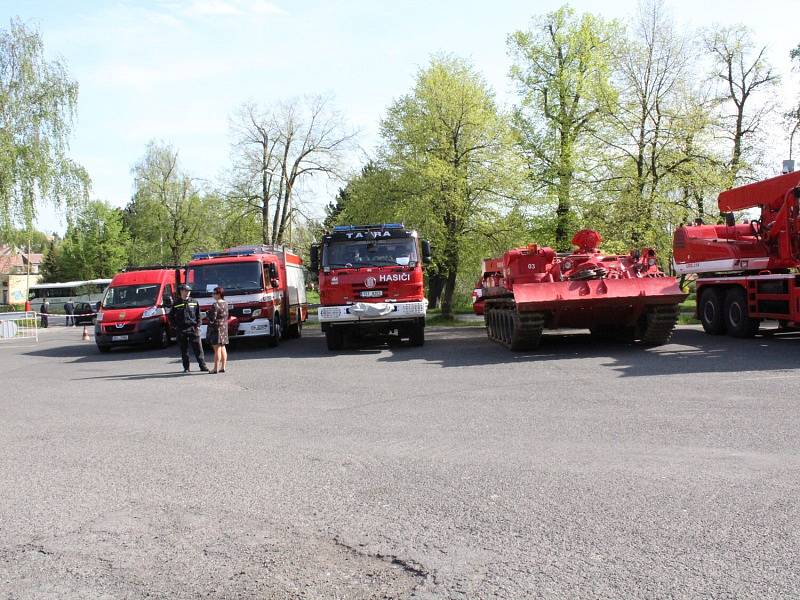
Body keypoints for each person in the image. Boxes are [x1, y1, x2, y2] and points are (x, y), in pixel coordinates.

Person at [169, 285, 209, 374]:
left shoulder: (194, 302)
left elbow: (199, 315)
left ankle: (203, 366)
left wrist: (198, 326)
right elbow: (170, 317)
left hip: (193, 328)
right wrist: (175, 326)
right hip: (181, 329)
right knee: (184, 350)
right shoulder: (176, 303)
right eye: (186, 291)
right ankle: (186, 368)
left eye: (189, 291)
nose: (188, 292)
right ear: (181, 291)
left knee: (198, 349)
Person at [206, 286, 229, 374]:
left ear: (219, 294)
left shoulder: (215, 305)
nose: (213, 295)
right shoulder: (226, 303)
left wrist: (207, 314)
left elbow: (212, 318)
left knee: (217, 349)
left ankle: (215, 368)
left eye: (214, 293)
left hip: (216, 329)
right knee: (223, 347)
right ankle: (223, 367)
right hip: (223, 327)